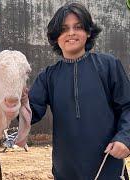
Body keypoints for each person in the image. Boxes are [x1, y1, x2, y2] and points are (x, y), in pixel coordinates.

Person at [26, 2, 130, 179]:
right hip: (66, 170)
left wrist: (125, 138)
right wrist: (11, 102)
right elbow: (30, 112)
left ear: (88, 32)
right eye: (64, 29)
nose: (71, 33)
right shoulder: (48, 76)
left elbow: (128, 106)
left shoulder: (108, 65)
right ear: (56, 37)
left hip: (107, 165)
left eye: (78, 27)